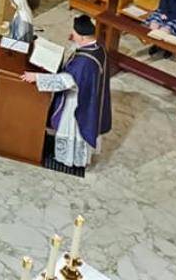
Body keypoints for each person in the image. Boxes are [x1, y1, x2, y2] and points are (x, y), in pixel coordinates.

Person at [23, 15, 113, 171]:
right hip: (89, 96)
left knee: (72, 129)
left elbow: (65, 81)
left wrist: (36, 77)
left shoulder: (85, 61)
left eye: (75, 34)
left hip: (78, 102)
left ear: (84, 38)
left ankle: (70, 159)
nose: (72, 36)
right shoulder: (99, 48)